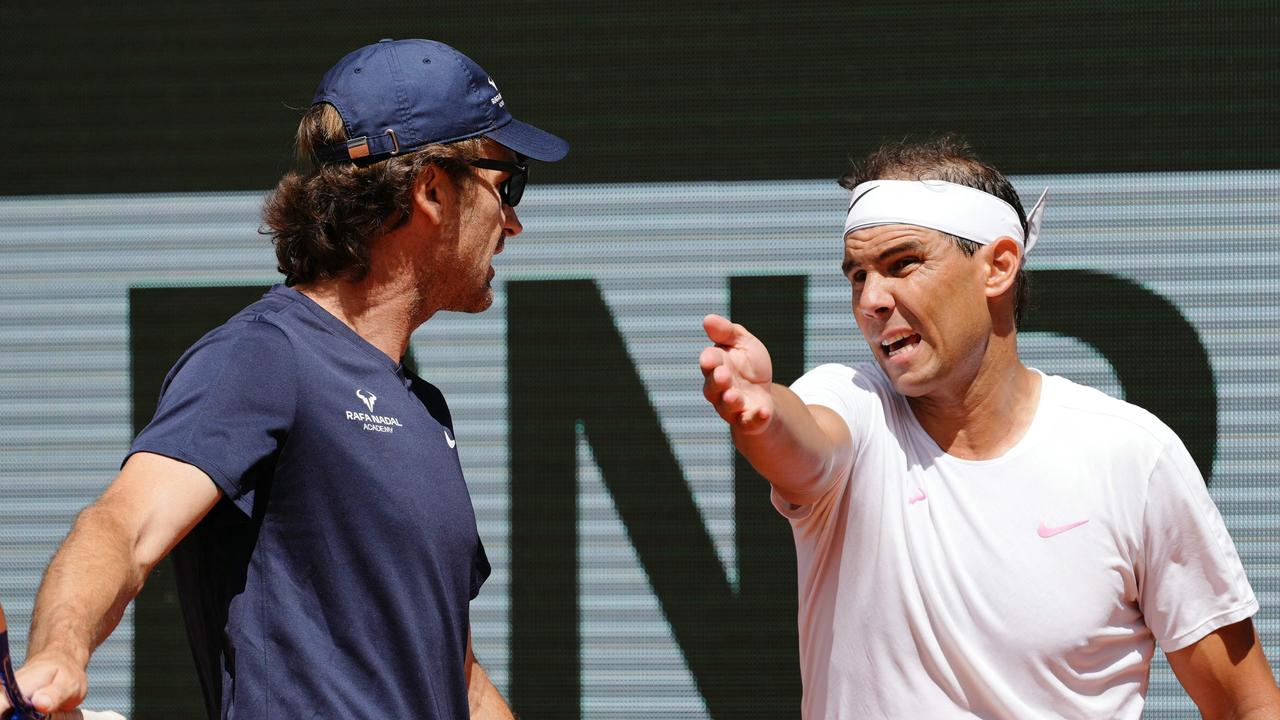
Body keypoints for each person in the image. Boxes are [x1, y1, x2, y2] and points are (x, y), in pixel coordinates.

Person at [2, 38, 566, 720]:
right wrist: (61, 653)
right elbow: (121, 524)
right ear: (431, 189)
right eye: (508, 185)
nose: (514, 220)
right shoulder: (264, 356)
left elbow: (458, 676)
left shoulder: (425, 412)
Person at [699, 136, 1280, 719]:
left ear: (998, 267)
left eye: (903, 263)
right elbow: (806, 447)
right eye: (857, 276)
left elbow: (1245, 705)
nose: (871, 299)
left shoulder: (1132, 456)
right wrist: (764, 414)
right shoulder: (851, 402)